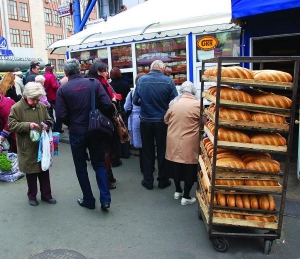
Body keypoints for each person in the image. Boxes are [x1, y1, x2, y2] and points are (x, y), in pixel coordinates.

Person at [56, 59, 113, 210]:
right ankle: (105, 199)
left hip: (76, 131)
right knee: (99, 164)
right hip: (95, 130)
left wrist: (72, 122)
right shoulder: (94, 83)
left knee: (81, 167)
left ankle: (88, 199)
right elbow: (108, 105)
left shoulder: (63, 90)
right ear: (80, 70)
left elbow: (61, 115)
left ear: (66, 73)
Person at [8, 82, 56, 206]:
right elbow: (11, 125)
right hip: (27, 145)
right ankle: (32, 196)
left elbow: (49, 120)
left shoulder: (41, 106)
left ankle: (47, 195)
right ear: (26, 96)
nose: (35, 102)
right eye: (33, 99)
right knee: (31, 173)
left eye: (37, 99)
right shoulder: (17, 108)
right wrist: (27, 125)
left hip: (42, 144)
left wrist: (48, 124)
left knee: (44, 170)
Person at [133, 60, 178, 190]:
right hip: (162, 121)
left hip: (145, 120)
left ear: (151, 68)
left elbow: (135, 101)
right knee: (163, 150)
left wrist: (145, 103)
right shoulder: (168, 81)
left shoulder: (141, 81)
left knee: (147, 151)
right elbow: (174, 102)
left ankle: (148, 181)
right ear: (162, 69)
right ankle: (163, 180)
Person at [164, 81, 201, 205]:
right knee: (190, 167)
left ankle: (177, 191)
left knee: (176, 165)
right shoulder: (197, 104)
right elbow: (204, 122)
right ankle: (186, 196)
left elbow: (166, 119)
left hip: (173, 139)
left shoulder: (174, 103)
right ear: (193, 91)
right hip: (189, 141)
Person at [88, 62, 118, 189]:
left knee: (102, 150)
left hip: (91, 120)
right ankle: (107, 178)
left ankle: (109, 176)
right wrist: (113, 103)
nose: (107, 73)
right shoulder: (100, 84)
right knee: (106, 150)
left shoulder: (88, 81)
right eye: (105, 71)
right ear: (99, 72)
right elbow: (106, 104)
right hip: (103, 120)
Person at [124, 73, 145, 172]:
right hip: (147, 118)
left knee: (140, 147)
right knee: (148, 145)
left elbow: (126, 107)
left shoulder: (132, 93)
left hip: (136, 119)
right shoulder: (148, 91)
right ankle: (150, 167)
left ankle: (143, 168)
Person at [110, 67, 131, 159]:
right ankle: (126, 153)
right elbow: (129, 97)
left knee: (117, 131)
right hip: (123, 109)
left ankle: (118, 153)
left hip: (114, 110)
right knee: (124, 129)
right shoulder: (125, 84)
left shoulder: (109, 85)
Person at [43, 63, 63, 133]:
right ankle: (58, 128)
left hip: (47, 97)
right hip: (53, 96)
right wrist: (60, 86)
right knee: (58, 112)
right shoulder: (51, 76)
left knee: (50, 113)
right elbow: (54, 86)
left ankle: (53, 126)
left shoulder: (44, 75)